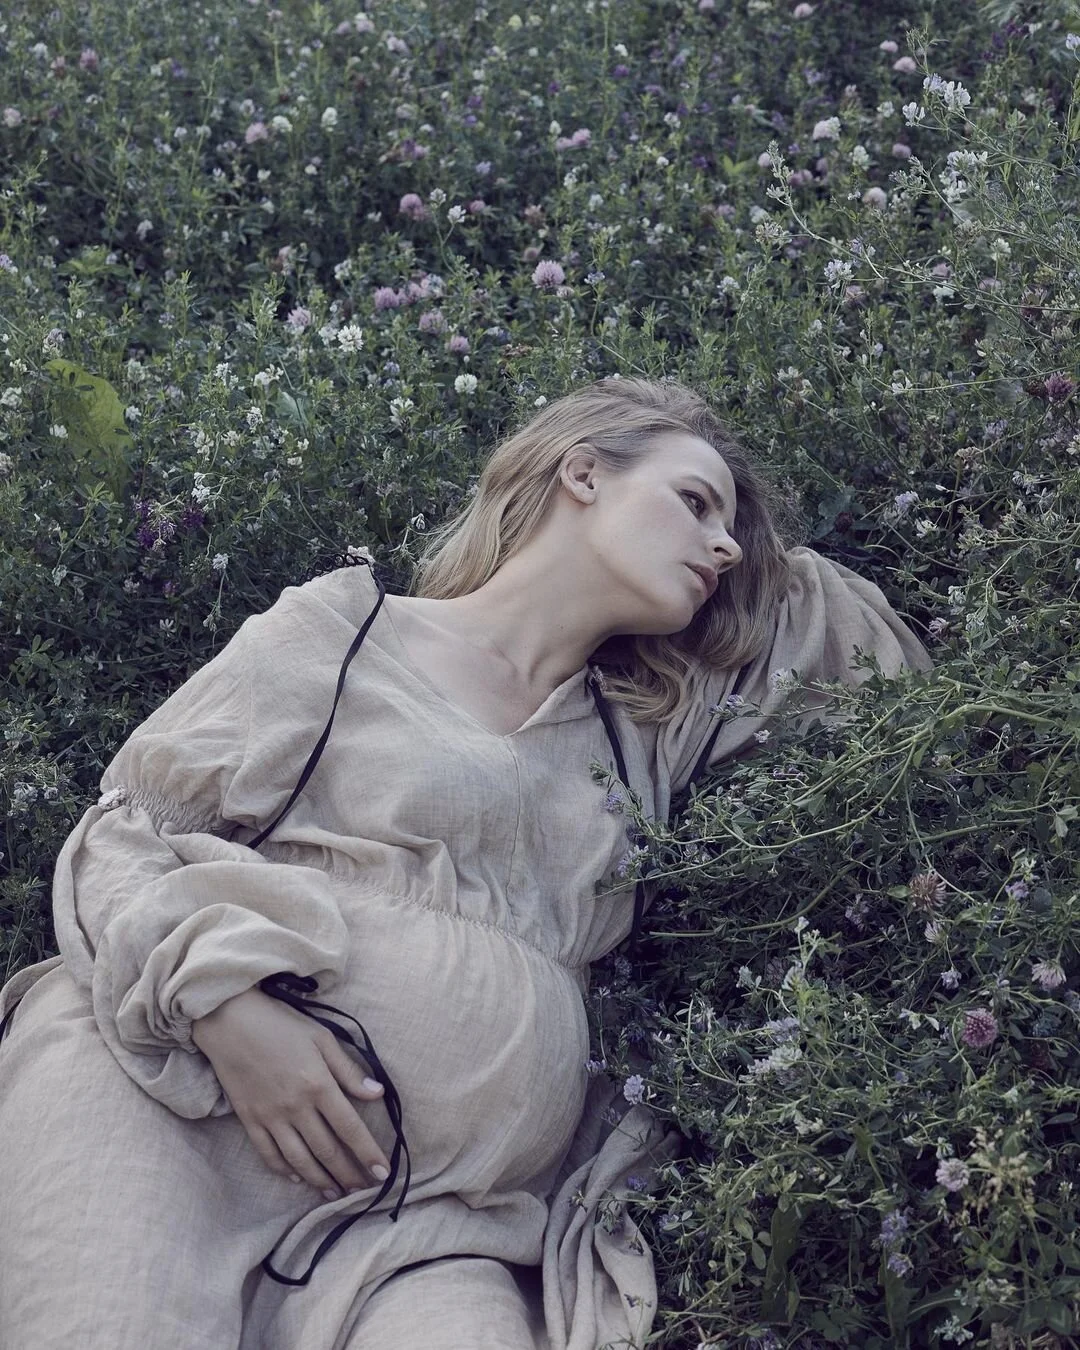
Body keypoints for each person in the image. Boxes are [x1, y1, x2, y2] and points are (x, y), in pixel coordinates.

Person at [0, 376, 931, 1349]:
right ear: (582, 473)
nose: (723, 543)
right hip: (182, 1105)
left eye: (729, 528)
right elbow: (121, 836)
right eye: (694, 501)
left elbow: (870, 671)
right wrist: (224, 1011)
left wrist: (758, 546)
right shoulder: (347, 635)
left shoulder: (641, 739)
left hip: (430, 1220)